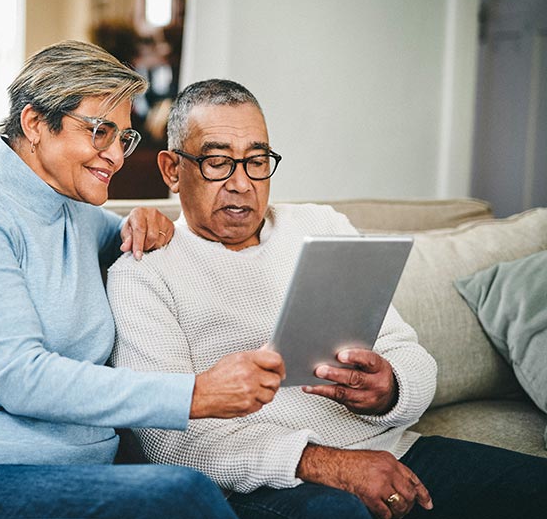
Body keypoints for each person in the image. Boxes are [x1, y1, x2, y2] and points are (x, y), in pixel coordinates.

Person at [0, 43, 286, 519]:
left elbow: (148, 244)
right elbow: (21, 378)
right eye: (99, 132)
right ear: (33, 124)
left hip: (58, 475)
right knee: (180, 494)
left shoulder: (78, 215)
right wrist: (194, 394)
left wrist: (146, 221)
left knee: (306, 505)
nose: (114, 155)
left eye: (124, 138)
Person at [107, 78, 547, 519]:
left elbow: (410, 355)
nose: (241, 183)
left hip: (391, 453)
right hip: (270, 482)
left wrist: (390, 389)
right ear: (171, 170)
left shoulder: (321, 226)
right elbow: (167, 438)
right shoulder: (145, 270)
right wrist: (330, 464)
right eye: (218, 162)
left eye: (257, 161)